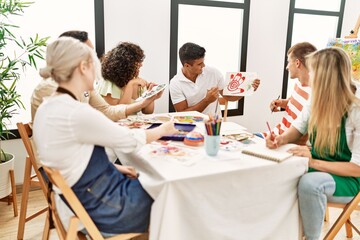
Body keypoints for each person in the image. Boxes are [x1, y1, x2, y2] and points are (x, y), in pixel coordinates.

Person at [33, 37, 178, 234]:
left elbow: (73, 158)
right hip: (105, 208)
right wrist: (165, 129)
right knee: (174, 195)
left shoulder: (49, 107)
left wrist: (114, 167)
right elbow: (129, 140)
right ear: (83, 68)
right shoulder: (77, 112)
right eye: (94, 63)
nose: (98, 70)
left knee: (158, 183)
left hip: (74, 202)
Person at [265, 47, 360, 240]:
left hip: (348, 180)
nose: (309, 75)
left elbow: (357, 169)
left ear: (326, 76)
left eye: (313, 70)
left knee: (310, 184)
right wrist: (280, 138)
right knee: (277, 170)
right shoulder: (317, 96)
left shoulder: (356, 109)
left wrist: (313, 162)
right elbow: (298, 128)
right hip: (319, 166)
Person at [31, 31, 156, 122]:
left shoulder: (82, 85)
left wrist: (143, 102)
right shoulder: (49, 88)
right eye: (88, 52)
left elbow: (106, 110)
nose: (93, 58)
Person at [169, 42, 260, 116]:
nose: (203, 66)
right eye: (199, 64)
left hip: (213, 125)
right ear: (187, 66)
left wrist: (247, 89)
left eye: (203, 62)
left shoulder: (213, 73)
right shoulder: (175, 83)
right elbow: (182, 114)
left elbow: (228, 96)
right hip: (190, 127)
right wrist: (207, 100)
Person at [262, 42, 317, 145]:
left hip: (283, 142)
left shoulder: (314, 94)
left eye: (288, 62)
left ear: (297, 63)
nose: (287, 67)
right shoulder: (299, 84)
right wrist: (282, 103)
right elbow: (293, 103)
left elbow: (302, 136)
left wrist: (279, 140)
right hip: (275, 133)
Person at [97, 42, 160, 114]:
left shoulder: (138, 81)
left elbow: (147, 112)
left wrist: (150, 94)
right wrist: (130, 85)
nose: (141, 64)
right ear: (124, 64)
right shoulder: (108, 84)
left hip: (135, 124)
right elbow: (117, 114)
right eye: (137, 61)